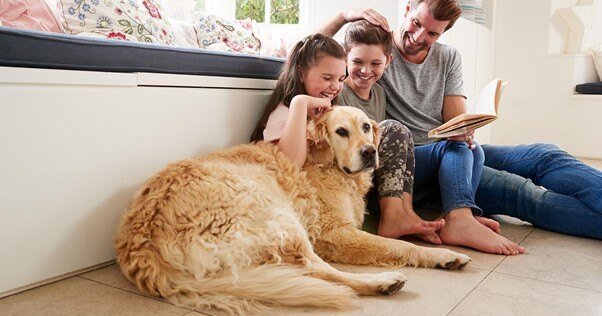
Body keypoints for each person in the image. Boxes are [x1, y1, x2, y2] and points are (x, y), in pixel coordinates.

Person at [317, 0, 602, 252]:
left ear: (442, 33)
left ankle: (461, 209)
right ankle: (460, 216)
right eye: (416, 23)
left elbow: (455, 121)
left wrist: (466, 129)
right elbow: (313, 53)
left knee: (543, 154)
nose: (418, 37)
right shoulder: (375, 50)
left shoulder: (446, 56)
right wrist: (345, 15)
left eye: (432, 33)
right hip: (413, 161)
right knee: (525, 193)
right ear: (406, 9)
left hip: (448, 151)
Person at [337, 20, 446, 240]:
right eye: (357, 61)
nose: (366, 70)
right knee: (393, 128)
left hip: (374, 174)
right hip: (353, 175)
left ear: (388, 62)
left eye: (375, 63)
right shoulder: (339, 94)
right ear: (345, 59)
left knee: (402, 133)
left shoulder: (379, 92)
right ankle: (393, 217)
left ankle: (405, 213)